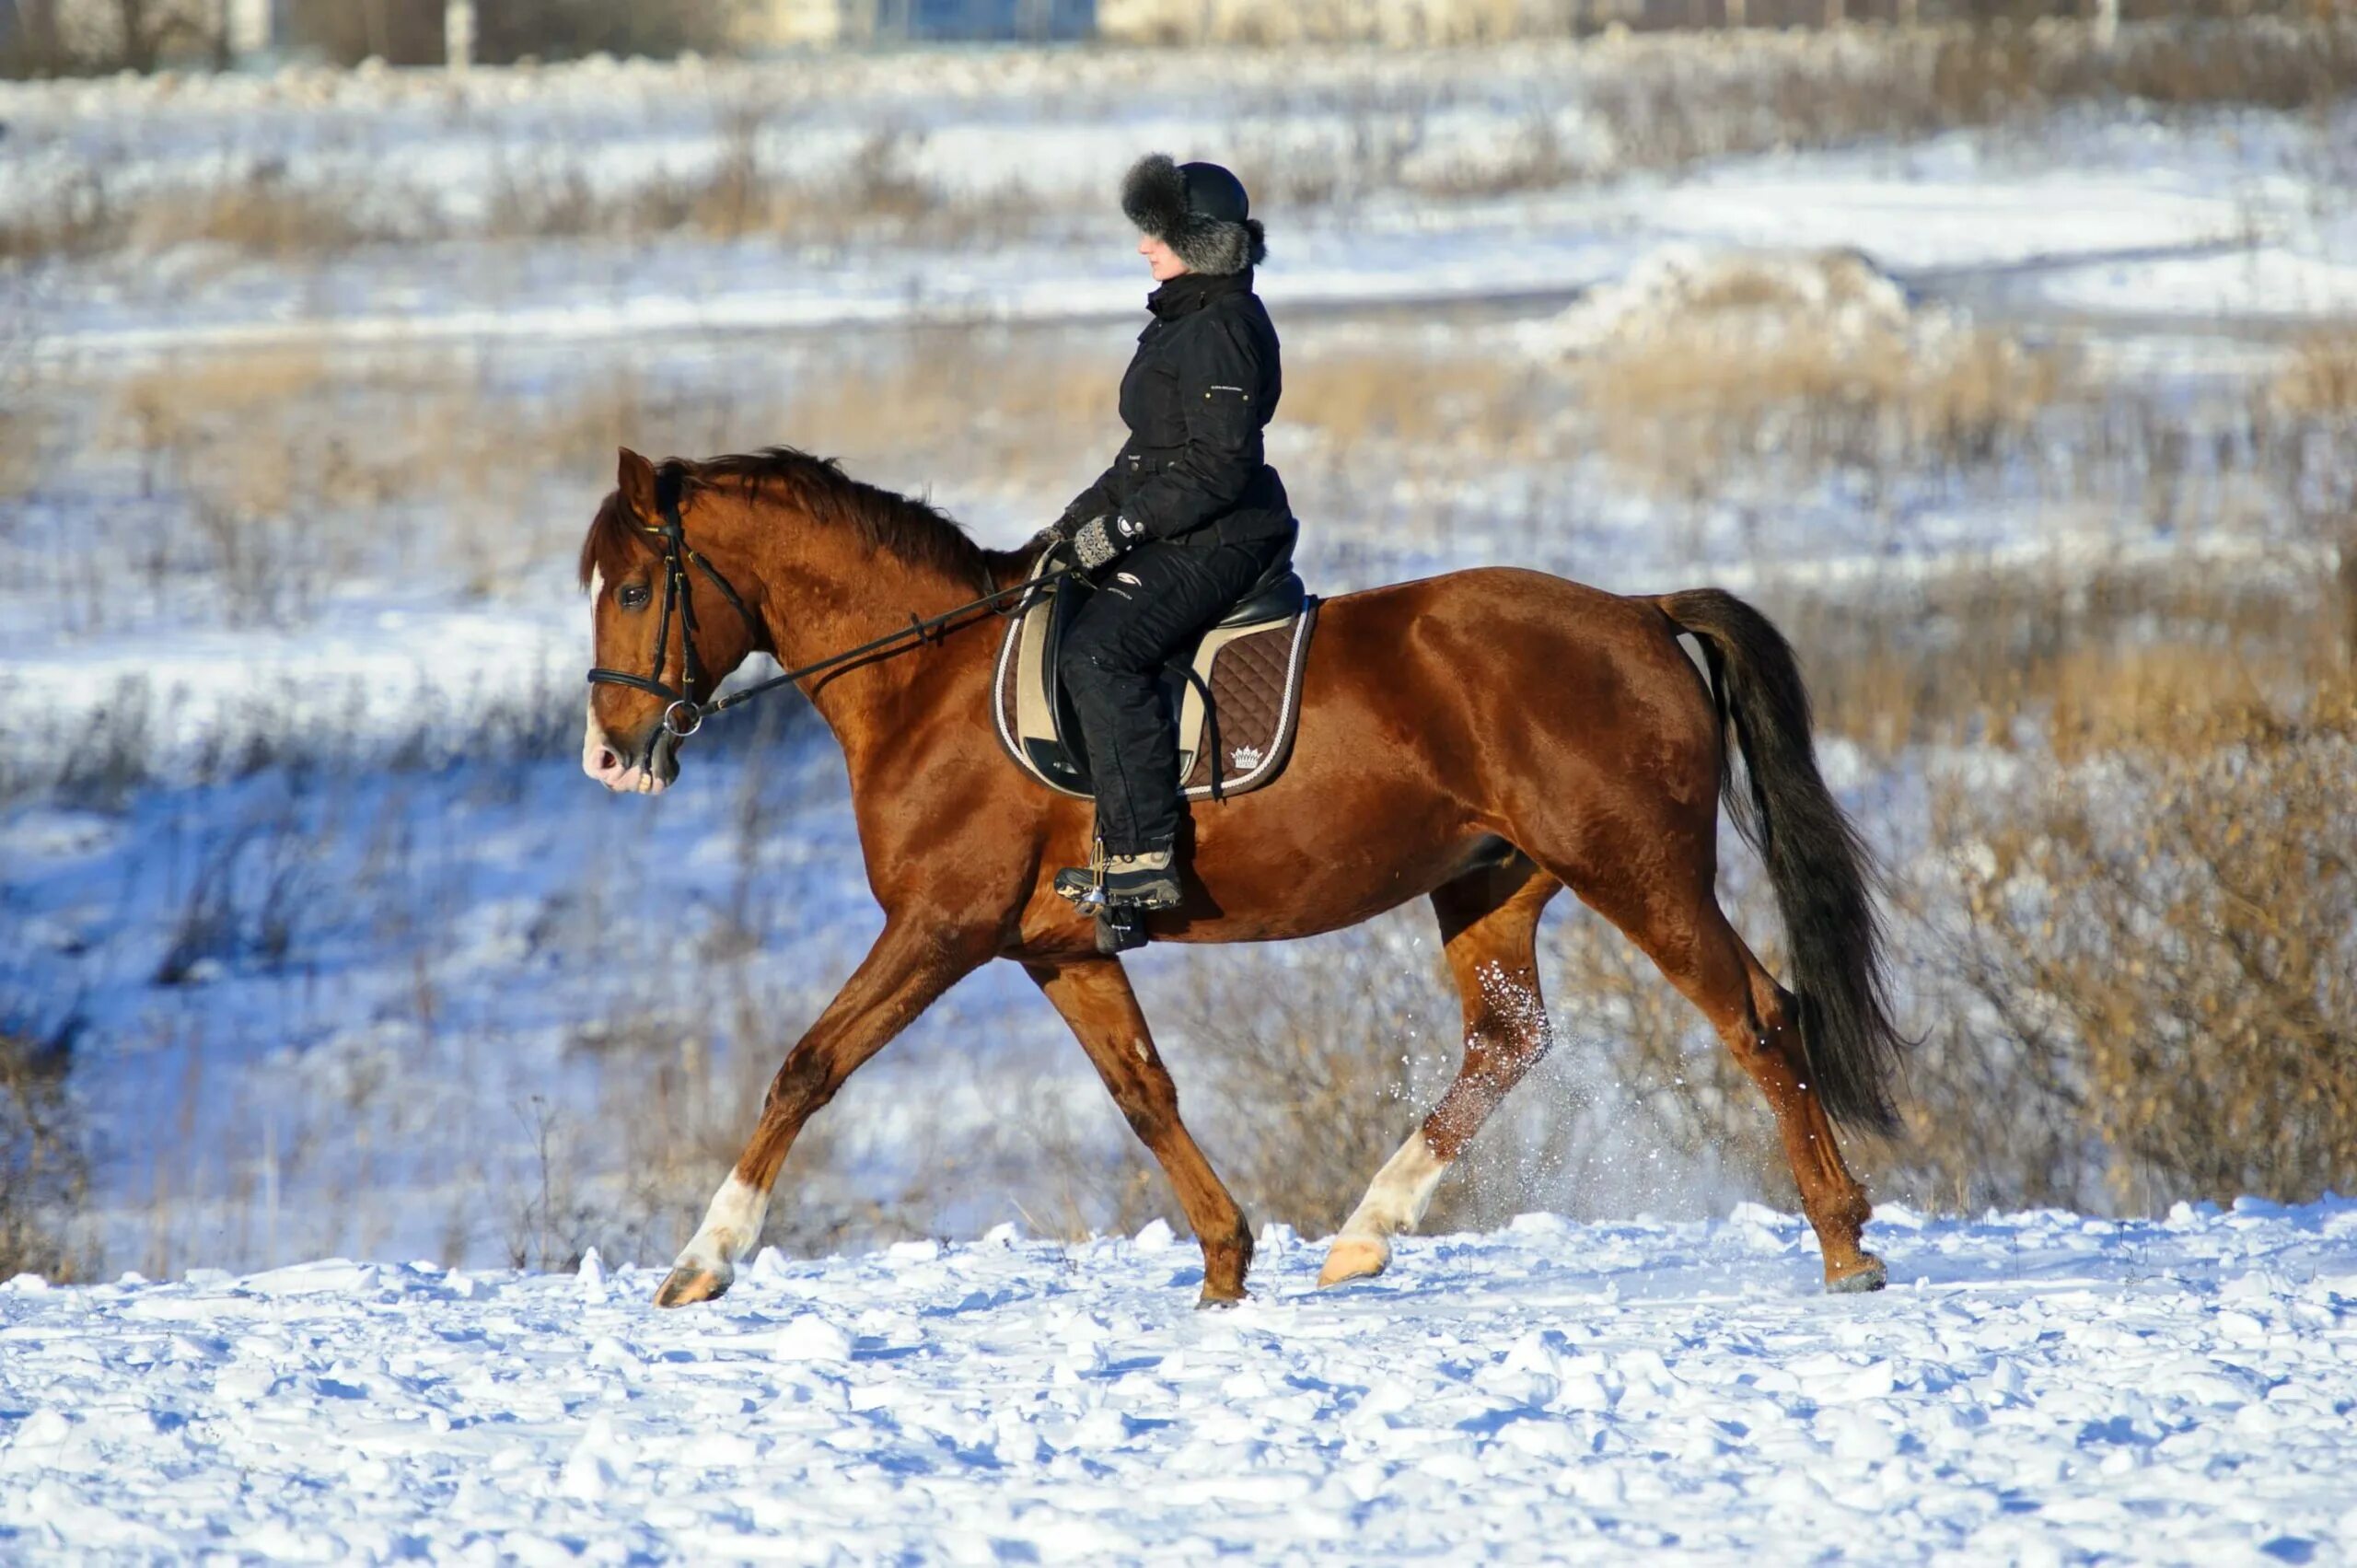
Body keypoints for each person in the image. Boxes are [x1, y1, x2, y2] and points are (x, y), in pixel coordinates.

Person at [1037, 154, 1298, 914]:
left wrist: (1120, 530)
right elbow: (1145, 456)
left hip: (1222, 536)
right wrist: (1070, 527)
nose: (1144, 248)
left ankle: (1144, 852)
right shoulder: (1183, 320)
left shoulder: (1220, 327)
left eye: (1157, 234)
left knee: (1099, 652)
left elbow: (1218, 467)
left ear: (1202, 243)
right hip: (1186, 526)